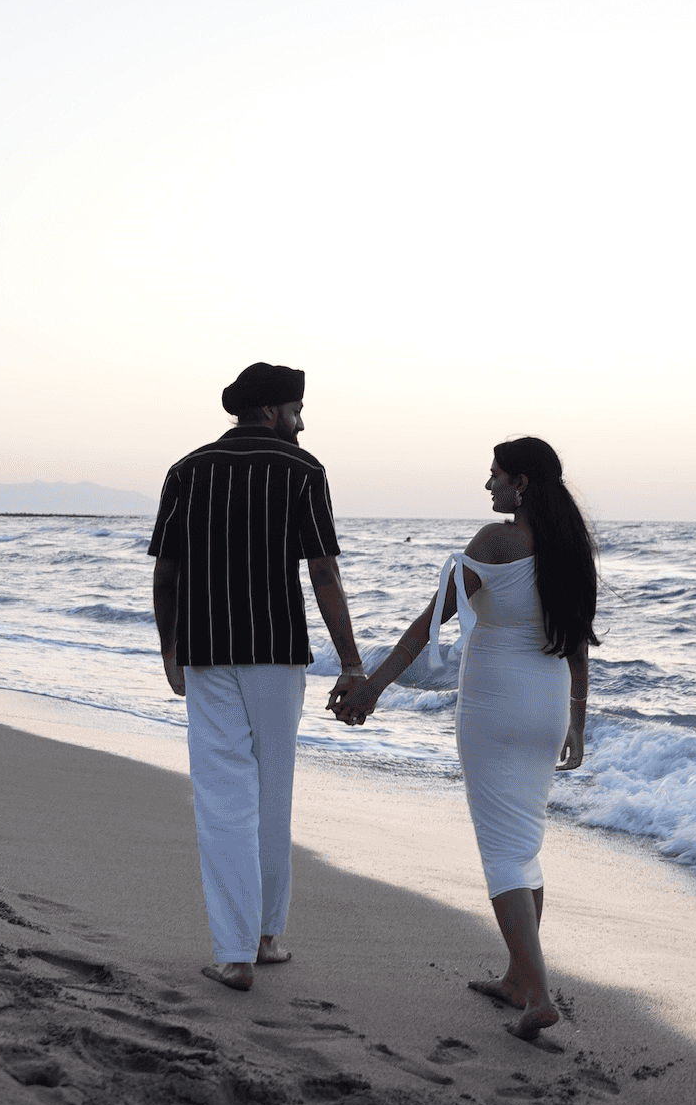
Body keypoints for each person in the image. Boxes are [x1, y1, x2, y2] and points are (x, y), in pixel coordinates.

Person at [332, 437, 597, 1040]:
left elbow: (428, 626)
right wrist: (578, 721)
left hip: (496, 708)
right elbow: (577, 643)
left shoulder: (494, 543)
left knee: (501, 849)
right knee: (524, 840)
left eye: (497, 475)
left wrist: (372, 687)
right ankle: (515, 977)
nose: (489, 486)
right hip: (549, 706)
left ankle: (539, 995)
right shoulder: (569, 550)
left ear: (522, 482)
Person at [150, 362, 368, 994]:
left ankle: (235, 953)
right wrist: (351, 662)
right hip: (277, 654)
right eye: (296, 408)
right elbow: (324, 573)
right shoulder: (304, 471)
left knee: (224, 797)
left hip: (208, 651)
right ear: (273, 411)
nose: (302, 419)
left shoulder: (187, 471)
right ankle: (266, 937)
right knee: (274, 791)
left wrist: (169, 647)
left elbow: (167, 571)